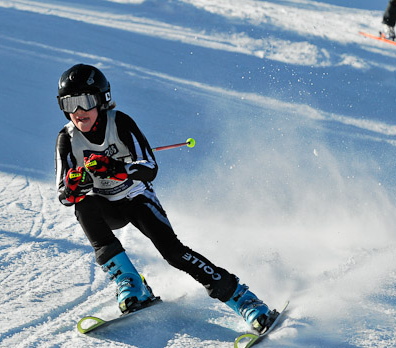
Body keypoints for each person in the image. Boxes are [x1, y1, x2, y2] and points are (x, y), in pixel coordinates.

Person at [54, 64, 277, 333]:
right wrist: (75, 186)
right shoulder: (67, 139)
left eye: (85, 101)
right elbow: (63, 196)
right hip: (106, 208)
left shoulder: (120, 123)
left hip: (137, 200)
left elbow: (149, 167)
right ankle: (131, 282)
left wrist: (116, 169)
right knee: (83, 206)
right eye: (70, 103)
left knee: (173, 253)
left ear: (102, 100)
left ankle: (243, 299)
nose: (78, 112)